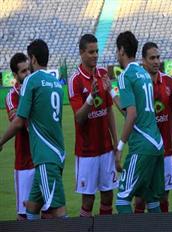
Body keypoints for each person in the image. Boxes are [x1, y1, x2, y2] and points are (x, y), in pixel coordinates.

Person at [0, 39, 67, 219]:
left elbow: (19, 121)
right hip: (56, 152)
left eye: (29, 61)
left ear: (33, 58)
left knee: (58, 212)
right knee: (31, 208)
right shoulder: (56, 84)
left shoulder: (31, 81)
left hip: (45, 157)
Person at [68, 34, 118, 217]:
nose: (95, 55)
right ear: (82, 53)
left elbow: (109, 110)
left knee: (107, 196)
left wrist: (116, 140)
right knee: (88, 200)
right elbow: (79, 118)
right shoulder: (75, 80)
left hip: (106, 148)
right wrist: (91, 98)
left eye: (97, 51)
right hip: (86, 151)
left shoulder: (103, 74)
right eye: (91, 52)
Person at [115, 31, 164, 213]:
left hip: (142, 145)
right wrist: (112, 94)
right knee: (151, 199)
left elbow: (132, 114)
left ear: (121, 50)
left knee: (122, 199)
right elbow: (130, 111)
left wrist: (119, 147)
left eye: (117, 50)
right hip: (157, 143)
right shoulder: (144, 75)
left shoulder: (125, 75)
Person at [134, 42, 172, 213]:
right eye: (152, 58)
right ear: (143, 61)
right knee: (140, 198)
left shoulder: (168, 82)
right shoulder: (138, 84)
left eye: (158, 57)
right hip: (144, 151)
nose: (156, 61)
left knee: (163, 196)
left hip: (165, 150)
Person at [5, 53, 34, 220]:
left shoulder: (36, 88)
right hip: (24, 163)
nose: (28, 74)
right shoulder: (12, 96)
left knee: (48, 212)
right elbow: (18, 122)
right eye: (23, 72)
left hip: (41, 159)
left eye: (28, 69)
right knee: (23, 216)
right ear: (15, 76)